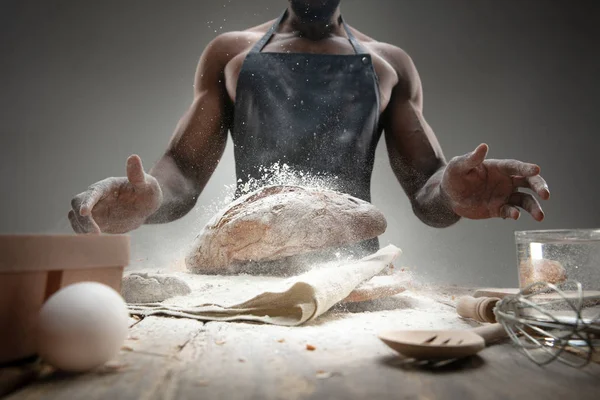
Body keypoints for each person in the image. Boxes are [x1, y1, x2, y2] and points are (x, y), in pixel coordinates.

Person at [69, 0, 549, 255]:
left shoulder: (389, 65)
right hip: (241, 271)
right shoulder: (231, 53)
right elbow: (182, 172)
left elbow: (429, 192)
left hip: (353, 280)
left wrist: (452, 192)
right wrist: (148, 198)